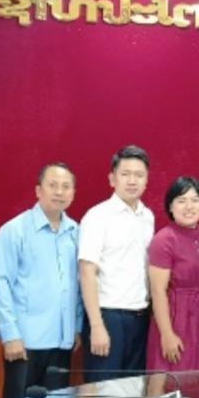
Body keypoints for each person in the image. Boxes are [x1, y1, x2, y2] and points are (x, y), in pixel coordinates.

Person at [0, 163, 81, 398]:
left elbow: (79, 285)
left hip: (62, 341)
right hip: (24, 342)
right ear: (38, 190)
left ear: (73, 193)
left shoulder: (76, 232)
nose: (59, 192)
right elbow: (0, 284)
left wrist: (76, 327)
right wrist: (10, 335)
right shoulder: (14, 230)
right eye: (53, 185)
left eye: (66, 187)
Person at [78, 145, 154, 381]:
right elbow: (87, 272)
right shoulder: (97, 216)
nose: (132, 180)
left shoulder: (147, 217)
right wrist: (97, 325)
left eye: (139, 175)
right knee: (104, 391)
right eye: (125, 174)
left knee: (132, 391)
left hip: (141, 317)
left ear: (146, 180)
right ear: (112, 179)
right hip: (108, 317)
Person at [146, 176, 199, 371]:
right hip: (174, 318)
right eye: (181, 200)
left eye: (195, 200)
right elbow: (158, 291)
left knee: (197, 377)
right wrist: (167, 334)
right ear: (170, 206)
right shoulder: (164, 239)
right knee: (171, 376)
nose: (189, 207)